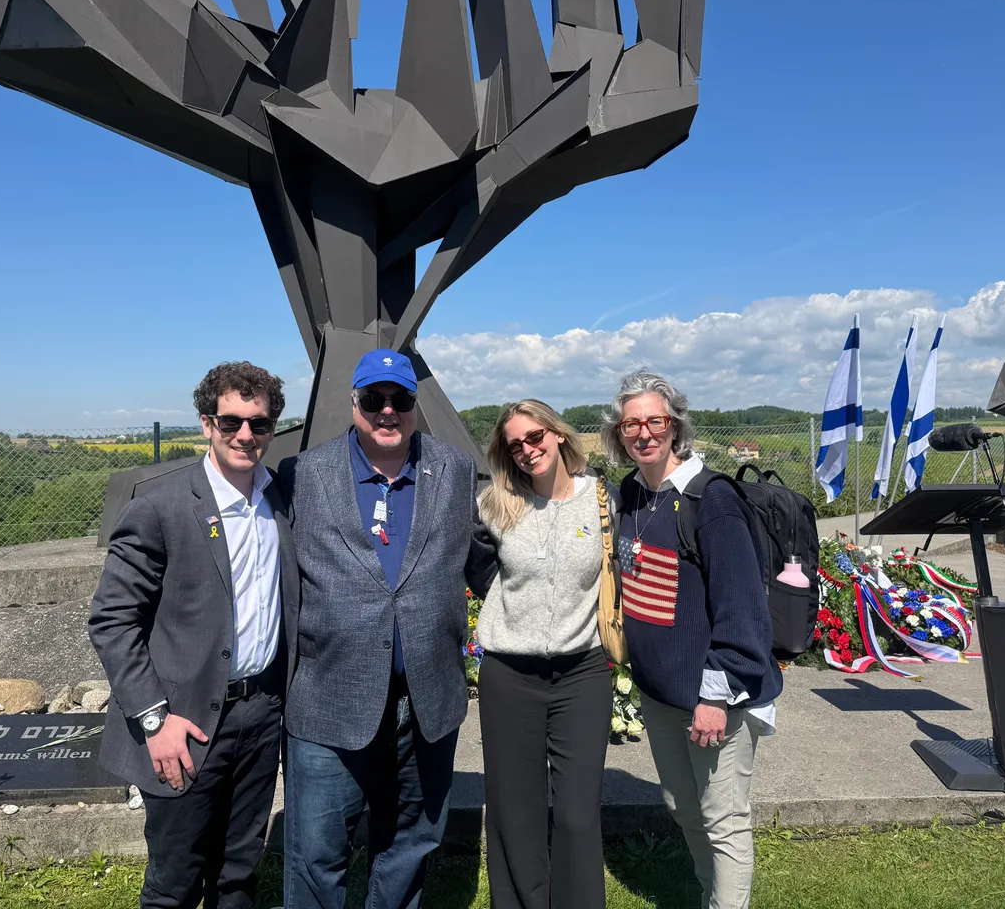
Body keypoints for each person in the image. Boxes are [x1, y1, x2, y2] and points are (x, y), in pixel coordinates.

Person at [276, 349, 497, 909]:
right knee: (316, 855)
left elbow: (485, 562)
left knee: (410, 844)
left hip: (425, 702)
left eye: (400, 400)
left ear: (415, 406)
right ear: (355, 404)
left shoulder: (452, 471)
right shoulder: (303, 475)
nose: (388, 411)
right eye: (375, 399)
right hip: (329, 699)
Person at [90, 362, 296, 909]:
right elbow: (112, 619)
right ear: (207, 424)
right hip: (183, 724)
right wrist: (154, 719)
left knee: (237, 873)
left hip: (260, 715)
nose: (245, 436)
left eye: (259, 423)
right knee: (175, 881)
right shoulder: (161, 506)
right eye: (231, 422)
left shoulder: (280, 501)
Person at [600, 370, 781, 909]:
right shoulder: (633, 495)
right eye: (631, 424)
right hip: (660, 693)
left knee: (723, 817)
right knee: (683, 804)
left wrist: (714, 697)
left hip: (713, 697)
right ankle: (710, 897)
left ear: (675, 425)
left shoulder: (711, 499)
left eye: (654, 420)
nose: (643, 433)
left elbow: (742, 611)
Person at [474, 400, 615, 909]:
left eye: (535, 437)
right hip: (511, 675)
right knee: (516, 810)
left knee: (577, 813)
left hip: (582, 672)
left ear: (557, 435)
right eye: (516, 445)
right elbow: (479, 568)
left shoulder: (601, 498)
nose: (528, 450)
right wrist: (519, 615)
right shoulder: (494, 504)